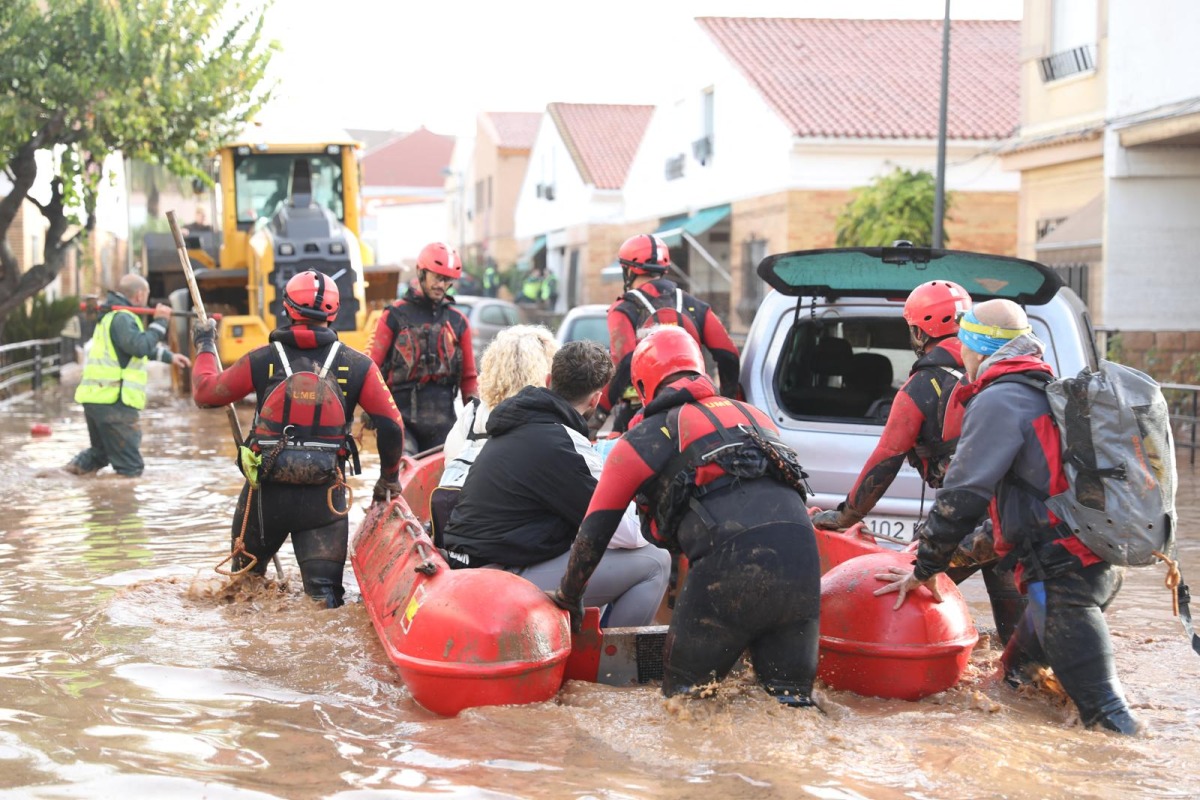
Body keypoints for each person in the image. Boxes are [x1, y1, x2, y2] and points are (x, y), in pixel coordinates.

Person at [875, 299, 1141, 735]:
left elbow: (962, 496)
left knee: (1108, 716)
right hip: (1084, 564)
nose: (960, 355)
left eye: (963, 345)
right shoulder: (1040, 386)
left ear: (977, 348)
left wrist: (924, 567)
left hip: (1062, 581)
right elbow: (1021, 497)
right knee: (1016, 682)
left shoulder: (1001, 399)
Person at [551, 326, 821, 707]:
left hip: (728, 565)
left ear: (644, 385)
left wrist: (569, 596)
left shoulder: (644, 439)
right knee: (792, 707)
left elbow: (593, 533)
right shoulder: (757, 417)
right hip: (803, 564)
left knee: (684, 708)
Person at [812, 281, 1027, 646]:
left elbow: (886, 459)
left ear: (918, 329)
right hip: (1014, 518)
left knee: (903, 593)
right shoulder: (1010, 377)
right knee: (1021, 641)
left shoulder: (922, 385)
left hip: (964, 517)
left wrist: (845, 516)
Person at [192, 270, 406, 608]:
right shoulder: (357, 365)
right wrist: (388, 479)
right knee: (324, 604)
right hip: (324, 503)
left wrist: (205, 344)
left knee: (242, 595)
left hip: (264, 499)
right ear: (334, 314)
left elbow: (206, 393)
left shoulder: (262, 359)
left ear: (287, 309)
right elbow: (392, 425)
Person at [443, 340, 670, 627]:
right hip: (498, 581)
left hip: (463, 565)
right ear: (595, 400)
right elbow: (625, 534)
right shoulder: (565, 445)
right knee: (655, 561)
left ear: (549, 381)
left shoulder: (512, 424)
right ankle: (606, 667)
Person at [600, 233, 741, 434]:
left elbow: (624, 363)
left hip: (638, 414)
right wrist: (728, 399)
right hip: (699, 408)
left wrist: (598, 415)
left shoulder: (624, 308)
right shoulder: (696, 306)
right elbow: (728, 354)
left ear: (628, 270)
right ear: (664, 269)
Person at [431, 324, 560, 540]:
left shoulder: (470, 415)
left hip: (462, 526)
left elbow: (450, 460)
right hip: (513, 532)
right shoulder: (543, 420)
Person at [65, 274, 192, 477]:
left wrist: (169, 356)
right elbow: (139, 346)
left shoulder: (111, 316)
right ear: (140, 295)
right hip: (114, 400)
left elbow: (133, 348)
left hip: (97, 398)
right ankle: (121, 505)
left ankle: (62, 476)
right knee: (131, 469)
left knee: (100, 454)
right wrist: (160, 322)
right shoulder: (123, 317)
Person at [368, 241, 478, 454]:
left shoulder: (458, 322)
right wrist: (371, 409)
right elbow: (370, 366)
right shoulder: (394, 316)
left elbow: (469, 378)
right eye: (437, 277)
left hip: (443, 424)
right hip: (401, 422)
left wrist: (476, 423)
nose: (441, 285)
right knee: (401, 477)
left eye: (447, 280)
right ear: (421, 273)